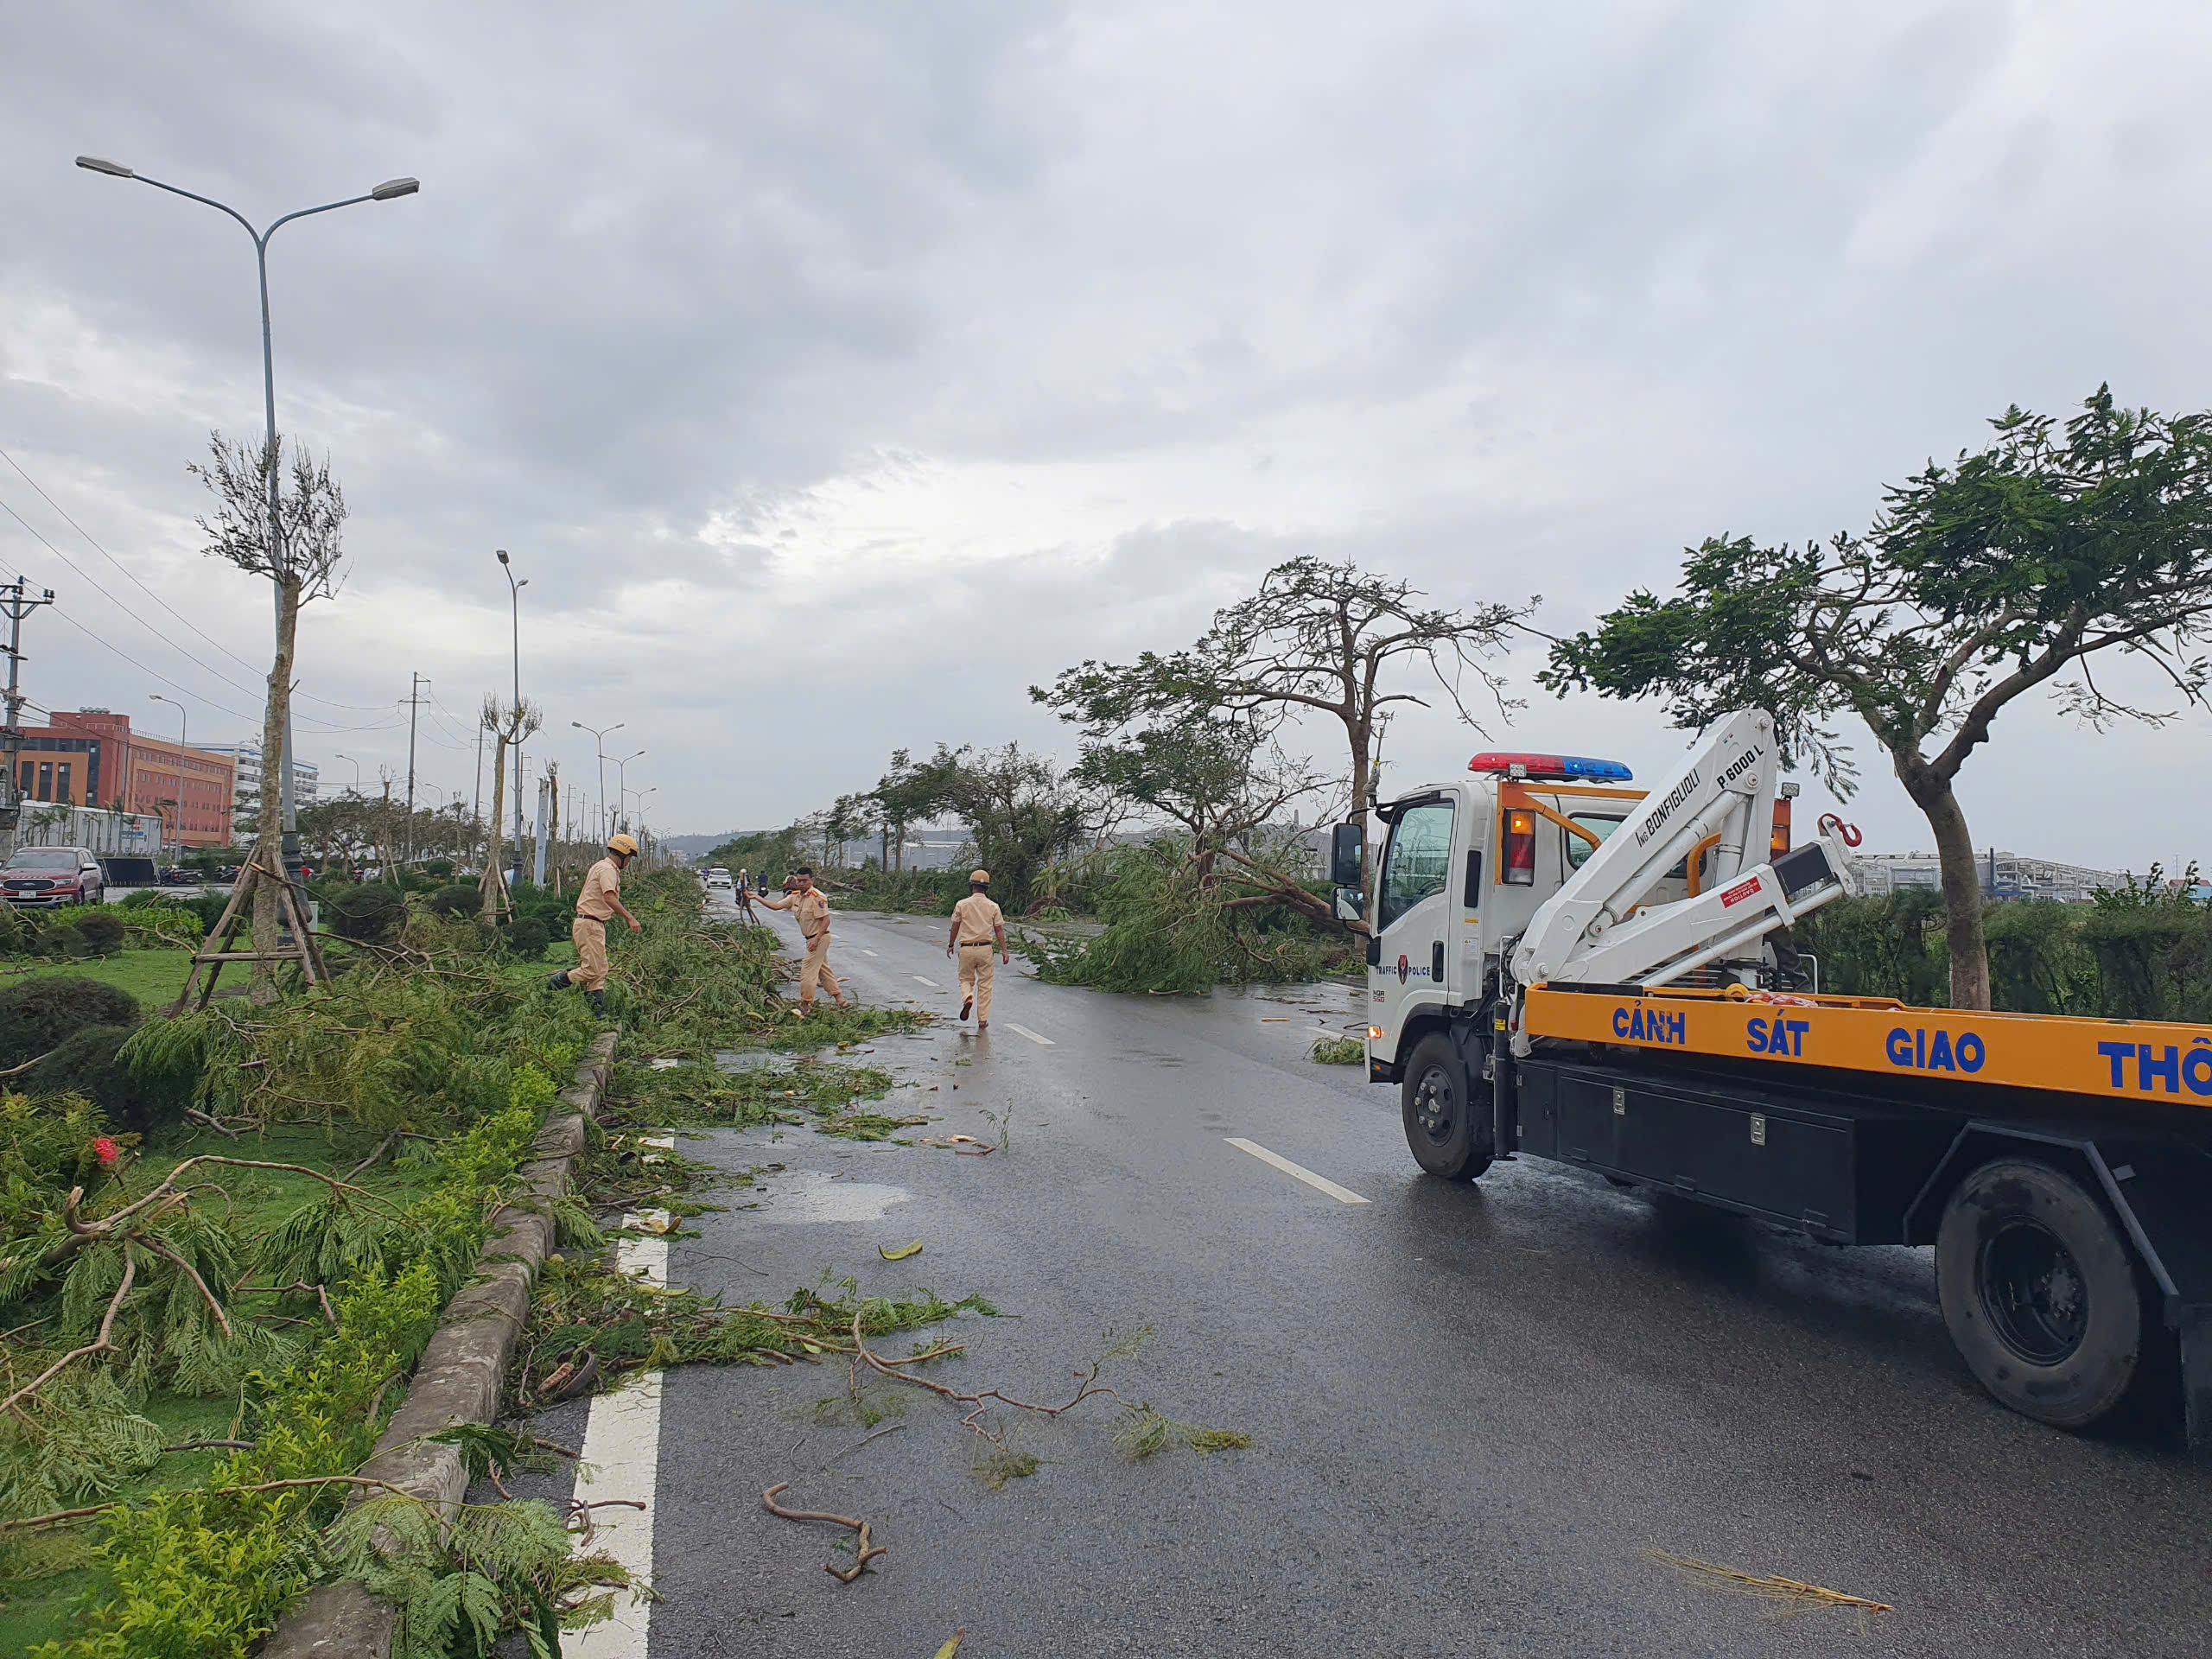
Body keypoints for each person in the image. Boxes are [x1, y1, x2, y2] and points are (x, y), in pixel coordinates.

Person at [547, 832, 641, 1018]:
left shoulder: (602, 866)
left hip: (593, 923)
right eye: (629, 858)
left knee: (600, 970)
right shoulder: (608, 870)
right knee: (592, 969)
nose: (629, 863)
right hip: (590, 923)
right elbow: (609, 897)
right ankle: (553, 984)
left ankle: (598, 1014)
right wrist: (630, 918)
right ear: (622, 855)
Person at [756, 865, 850, 1014]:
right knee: (823, 970)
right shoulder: (795, 896)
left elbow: (826, 920)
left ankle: (805, 1005)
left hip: (820, 938)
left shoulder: (817, 897)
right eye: (799, 881)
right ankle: (841, 1001)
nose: (801, 884)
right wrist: (756, 897)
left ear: (811, 880)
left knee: (807, 971)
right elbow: (776, 906)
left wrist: (816, 939)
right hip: (811, 939)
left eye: (804, 881)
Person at [945, 868, 1008, 1030]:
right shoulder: (993, 906)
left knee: (965, 979)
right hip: (985, 948)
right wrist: (1004, 951)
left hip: (967, 948)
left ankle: (967, 997)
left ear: (971, 886)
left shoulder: (962, 904)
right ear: (987, 888)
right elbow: (999, 930)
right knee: (985, 984)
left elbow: (955, 926)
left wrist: (951, 944)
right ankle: (983, 1019)